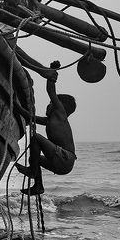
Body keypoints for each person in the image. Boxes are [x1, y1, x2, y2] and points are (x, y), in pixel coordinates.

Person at [16, 60, 77, 195]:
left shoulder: (59, 113)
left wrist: (51, 71)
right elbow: (31, 117)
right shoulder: (51, 120)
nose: (48, 105)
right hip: (62, 163)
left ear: (58, 106)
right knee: (34, 158)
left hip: (65, 158)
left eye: (51, 103)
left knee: (36, 138)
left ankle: (32, 171)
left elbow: (51, 91)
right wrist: (16, 106)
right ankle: (38, 186)